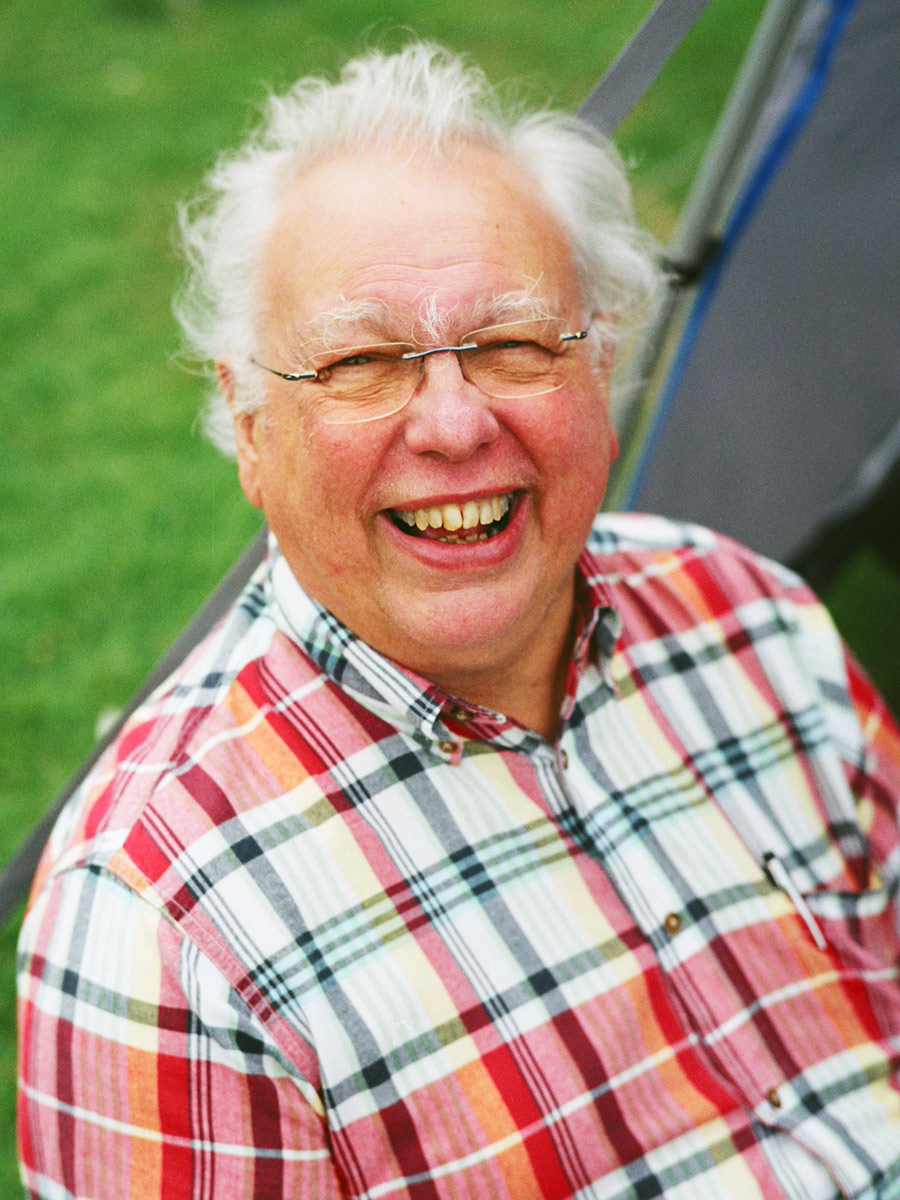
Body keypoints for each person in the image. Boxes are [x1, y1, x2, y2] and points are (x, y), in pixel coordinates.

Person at [16, 41, 900, 1200]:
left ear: (603, 367)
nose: (453, 424)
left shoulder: (747, 614)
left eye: (514, 345)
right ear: (250, 423)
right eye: (363, 361)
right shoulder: (160, 926)